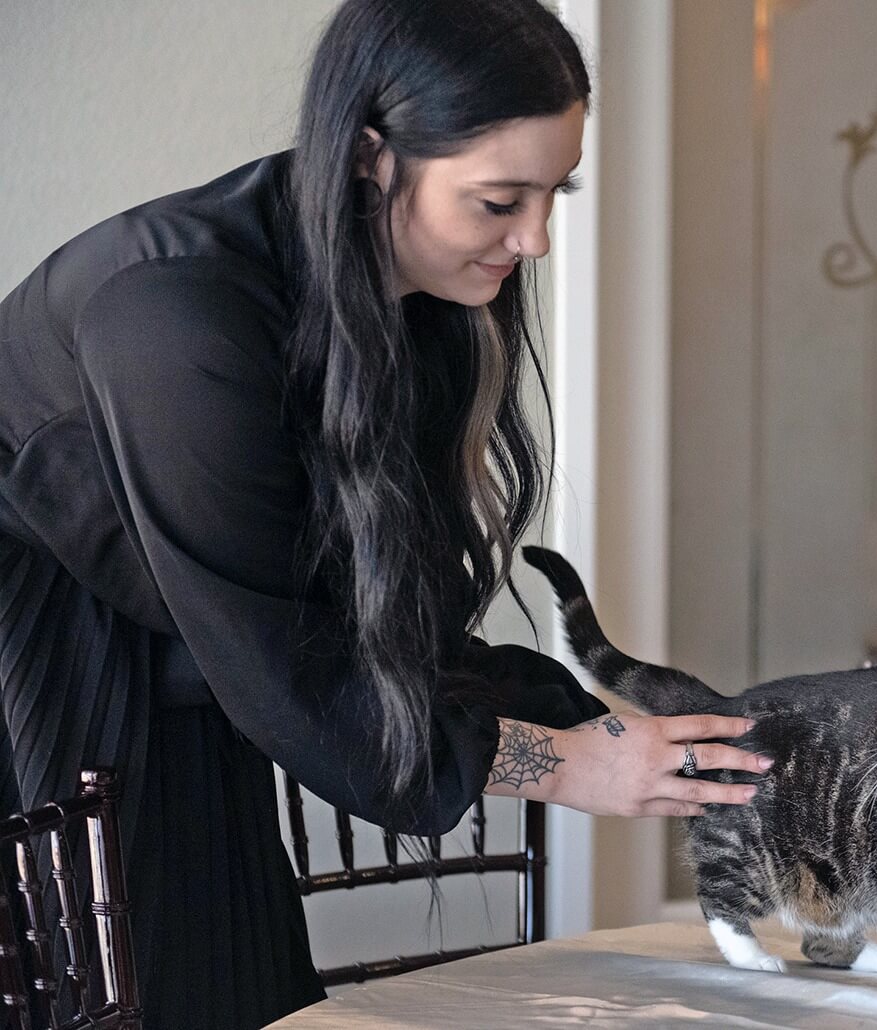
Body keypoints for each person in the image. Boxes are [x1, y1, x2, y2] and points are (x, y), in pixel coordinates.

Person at [0, 1, 769, 1027]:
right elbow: (303, 673)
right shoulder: (171, 316)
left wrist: (592, 723)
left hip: (205, 650)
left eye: (552, 194)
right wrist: (574, 764)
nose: (534, 239)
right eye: (500, 200)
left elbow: (357, 631)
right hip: (48, 664)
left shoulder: (403, 292)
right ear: (371, 154)